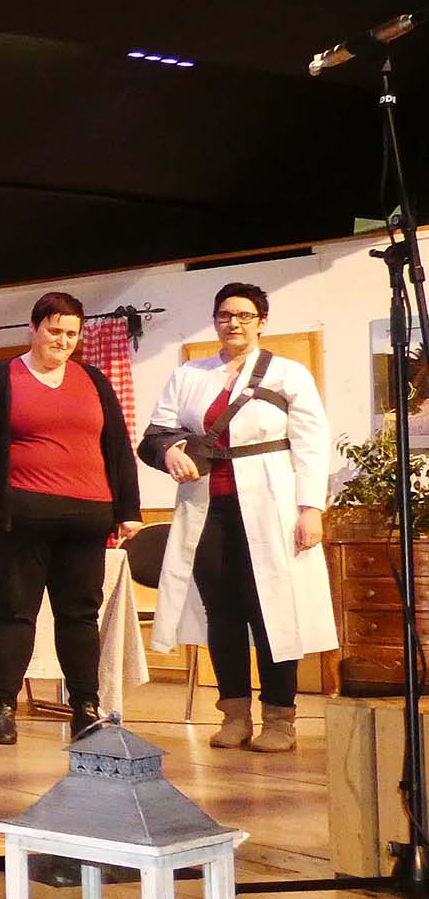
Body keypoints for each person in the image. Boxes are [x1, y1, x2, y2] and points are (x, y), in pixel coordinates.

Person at [139, 282, 335, 752]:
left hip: (271, 505)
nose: (234, 323)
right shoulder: (190, 374)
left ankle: (280, 719)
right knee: (221, 612)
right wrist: (171, 452)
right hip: (207, 508)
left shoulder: (288, 374)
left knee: (272, 610)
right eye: (225, 314)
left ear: (261, 322)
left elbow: (312, 444)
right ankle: (234, 715)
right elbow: (154, 435)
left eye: (245, 315)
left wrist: (311, 509)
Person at [0, 292, 143, 744]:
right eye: (54, 330)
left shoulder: (94, 381)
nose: (62, 340)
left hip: (87, 518)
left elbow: (118, 446)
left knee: (80, 616)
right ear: (34, 328)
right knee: (15, 612)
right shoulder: (0, 378)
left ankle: (85, 708)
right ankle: (4, 708)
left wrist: (129, 509)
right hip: (22, 518)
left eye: (71, 334)